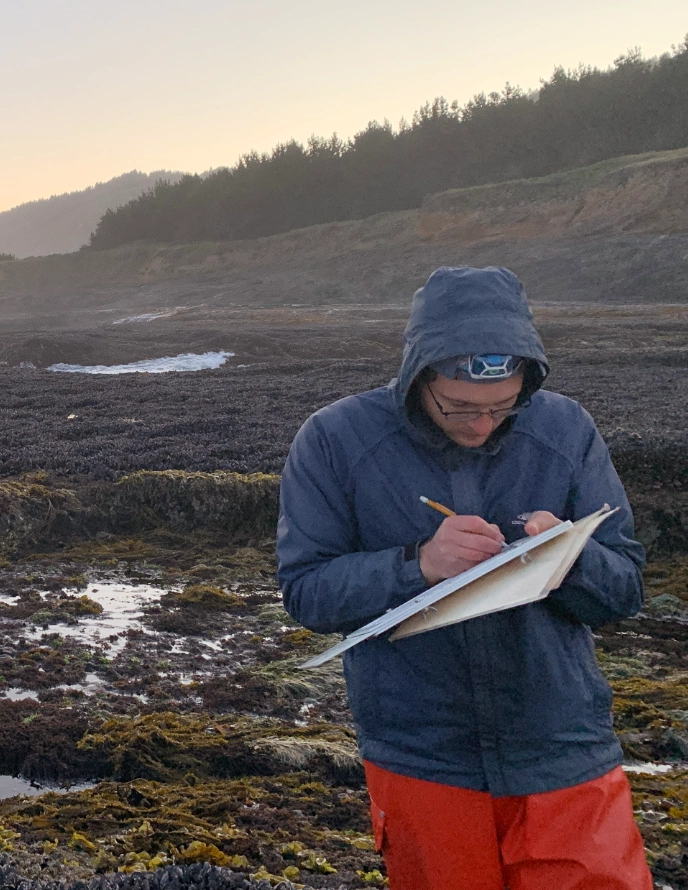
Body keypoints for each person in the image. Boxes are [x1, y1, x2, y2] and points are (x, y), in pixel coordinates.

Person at [276, 266, 653, 889]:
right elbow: (307, 591)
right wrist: (417, 565)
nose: (481, 425)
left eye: (502, 409)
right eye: (460, 408)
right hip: (423, 757)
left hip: (564, 750)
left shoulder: (565, 430)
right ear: (418, 376)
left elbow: (624, 590)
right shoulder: (336, 439)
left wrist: (569, 555)